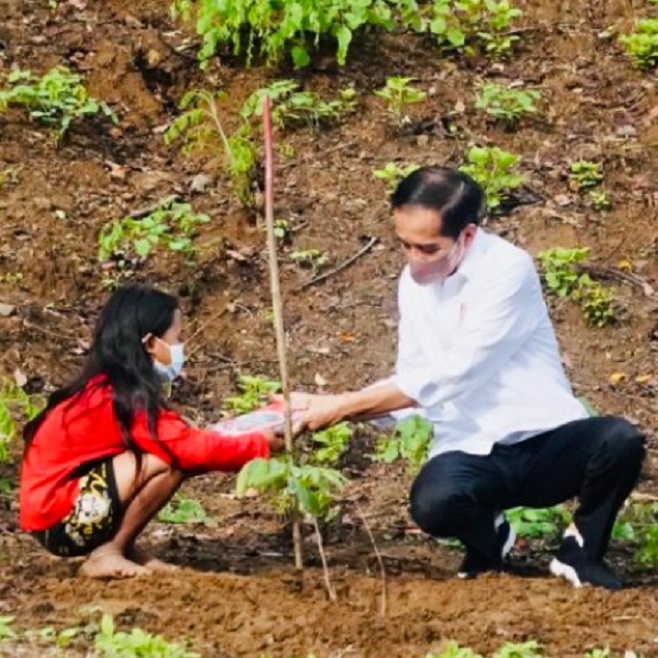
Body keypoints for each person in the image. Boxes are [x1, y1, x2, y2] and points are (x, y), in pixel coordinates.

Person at [289, 167, 645, 591]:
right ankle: (490, 543)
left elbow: (455, 373)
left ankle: (581, 553)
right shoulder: (412, 283)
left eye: (427, 247)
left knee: (618, 441)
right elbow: (415, 379)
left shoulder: (508, 269)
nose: (414, 258)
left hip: (543, 441)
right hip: (470, 447)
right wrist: (329, 408)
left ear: (468, 236)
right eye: (404, 245)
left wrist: (344, 405)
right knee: (433, 503)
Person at [20, 284, 282, 579]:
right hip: (59, 523)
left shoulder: (108, 388)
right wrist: (258, 444)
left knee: (168, 452)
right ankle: (107, 553)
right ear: (149, 344)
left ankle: (122, 548)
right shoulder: (119, 397)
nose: (181, 346)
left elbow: (183, 437)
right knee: (169, 459)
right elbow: (188, 450)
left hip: (54, 514)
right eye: (177, 338)